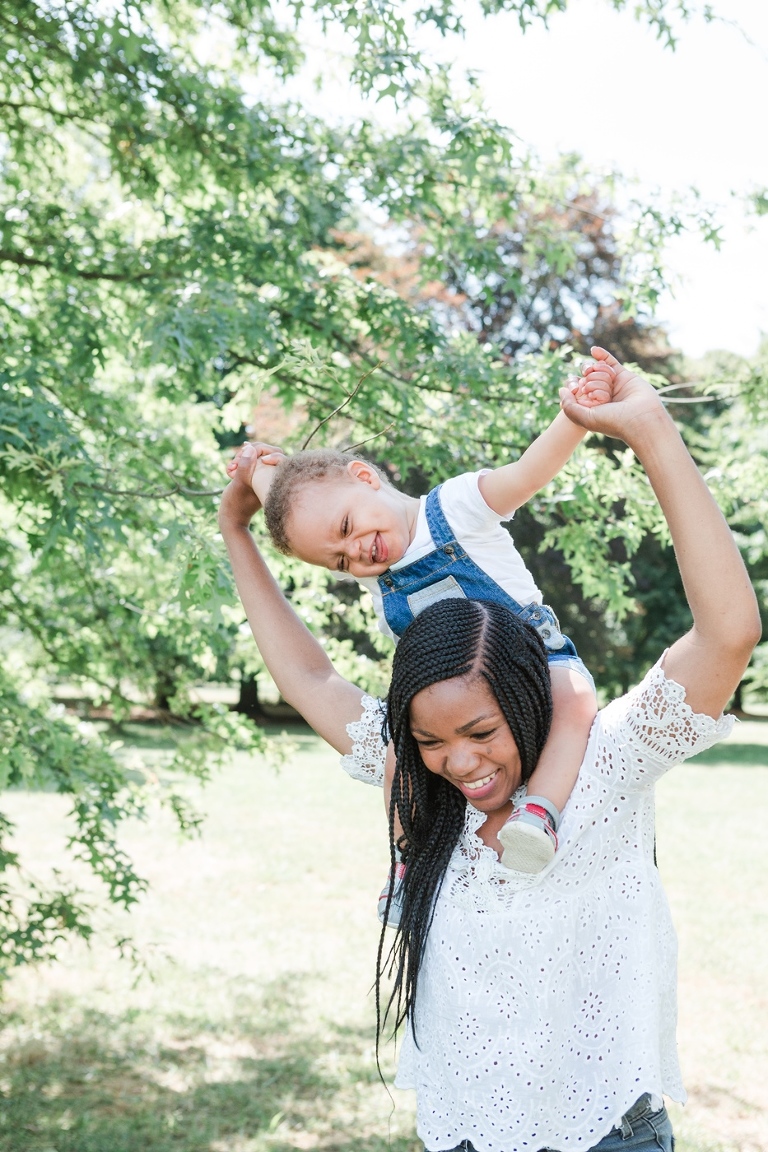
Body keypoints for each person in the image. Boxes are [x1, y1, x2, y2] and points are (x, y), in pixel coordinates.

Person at [217, 347, 760, 1152]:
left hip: (605, 1132)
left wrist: (651, 435)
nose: (459, 762)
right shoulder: (417, 779)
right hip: (466, 1132)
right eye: (433, 738)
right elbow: (307, 673)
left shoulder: (605, 762)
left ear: (528, 698)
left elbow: (729, 631)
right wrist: (238, 528)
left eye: (480, 734)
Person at [225, 361, 614, 892]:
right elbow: (298, 502)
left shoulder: (454, 510)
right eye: (339, 561)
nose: (356, 552)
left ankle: (539, 814)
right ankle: (407, 863)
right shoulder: (376, 571)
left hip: (539, 659)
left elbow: (528, 473)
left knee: (574, 705)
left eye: (347, 527)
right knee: (397, 753)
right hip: (442, 700)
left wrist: (578, 415)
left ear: (366, 477)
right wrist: (254, 471)